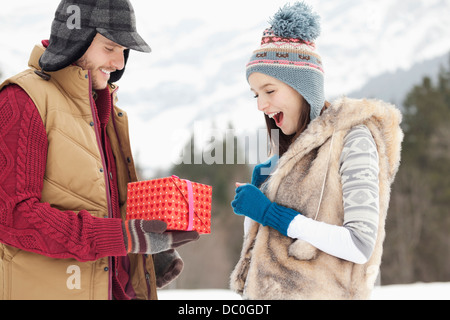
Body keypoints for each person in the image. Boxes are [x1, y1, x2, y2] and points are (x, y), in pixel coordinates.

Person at [0, 0, 199, 300]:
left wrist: (141, 252)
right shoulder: (24, 100)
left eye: (124, 51)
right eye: (110, 48)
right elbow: (12, 216)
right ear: (75, 40)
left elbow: (99, 204)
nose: (120, 63)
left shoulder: (107, 110)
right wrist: (122, 238)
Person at [230, 2, 403, 300]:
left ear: (303, 87)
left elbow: (359, 245)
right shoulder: (288, 156)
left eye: (269, 91)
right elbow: (269, 254)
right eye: (256, 95)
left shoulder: (355, 139)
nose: (261, 105)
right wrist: (256, 209)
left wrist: (269, 212)